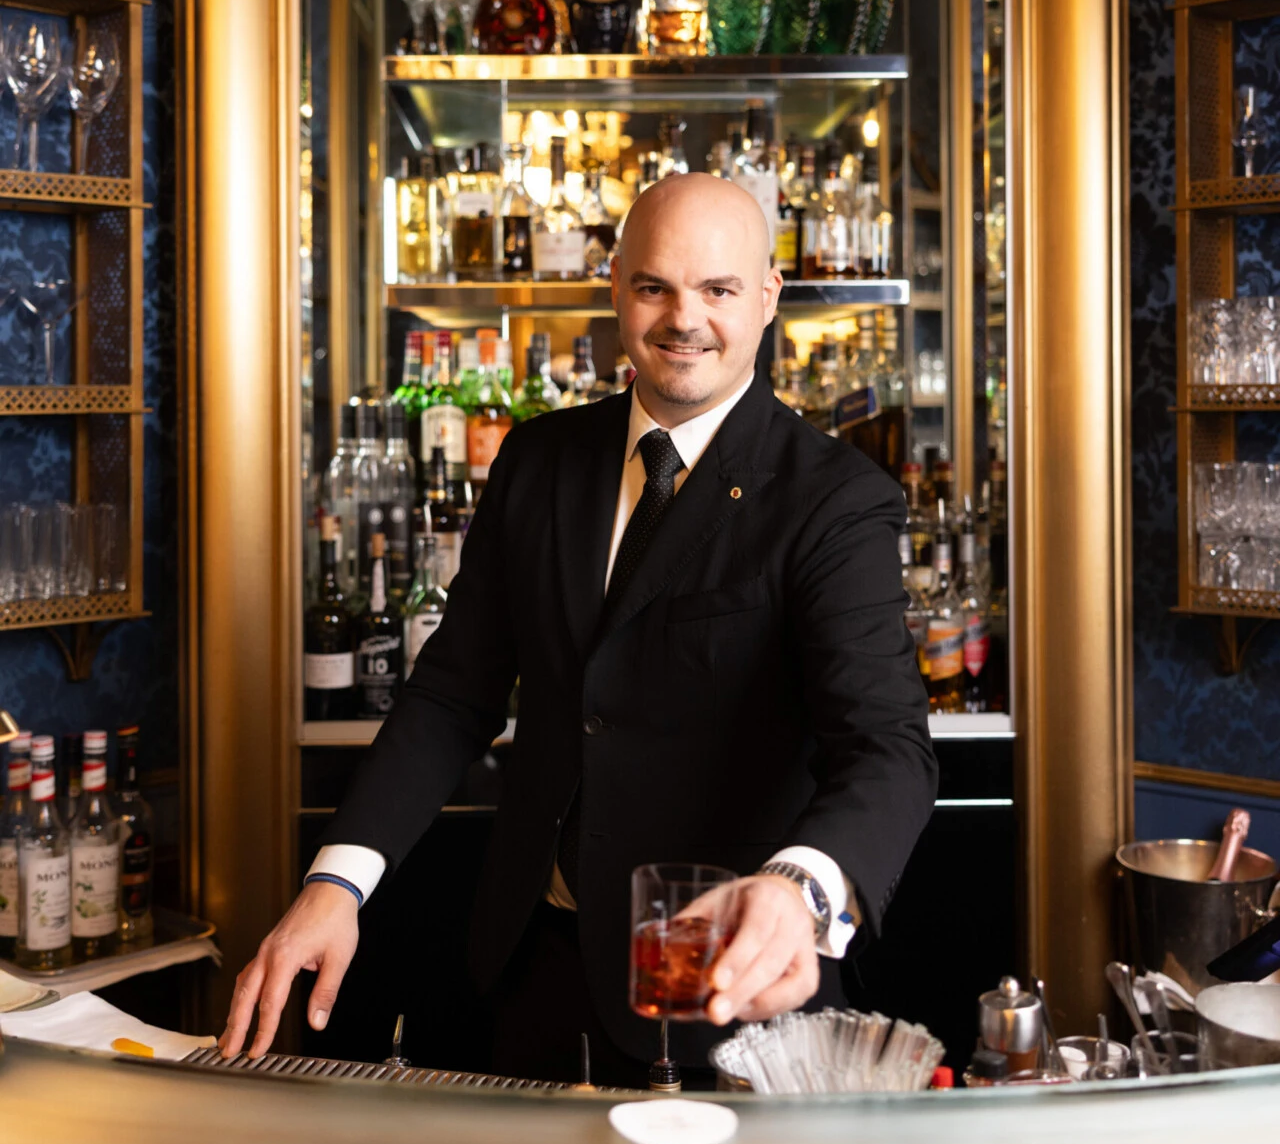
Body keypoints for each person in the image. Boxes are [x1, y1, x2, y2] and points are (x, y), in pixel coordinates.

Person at [221, 172, 936, 1083]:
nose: (685, 318)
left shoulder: (833, 499)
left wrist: (798, 890)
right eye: (655, 287)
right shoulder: (539, 460)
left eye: (717, 289)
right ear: (615, 291)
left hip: (728, 987)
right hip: (535, 967)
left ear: (767, 300)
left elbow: (888, 747)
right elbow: (451, 693)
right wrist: (338, 880)